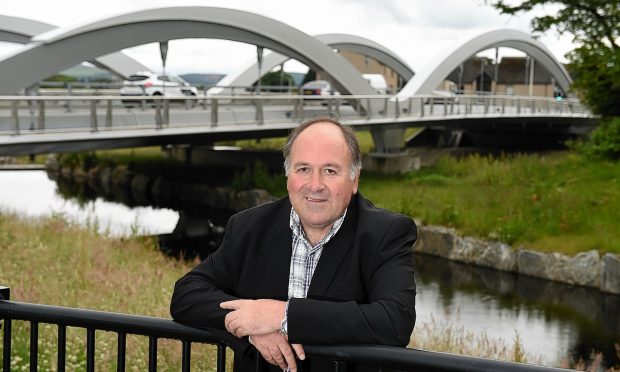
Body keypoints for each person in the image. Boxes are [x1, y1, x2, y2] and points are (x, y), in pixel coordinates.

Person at [170, 116, 417, 372]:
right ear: (288, 175)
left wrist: (282, 316)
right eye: (303, 169)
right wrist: (250, 326)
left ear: (354, 180)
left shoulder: (385, 234)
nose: (315, 185)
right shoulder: (249, 227)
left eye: (330, 171)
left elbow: (394, 321)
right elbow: (187, 294)